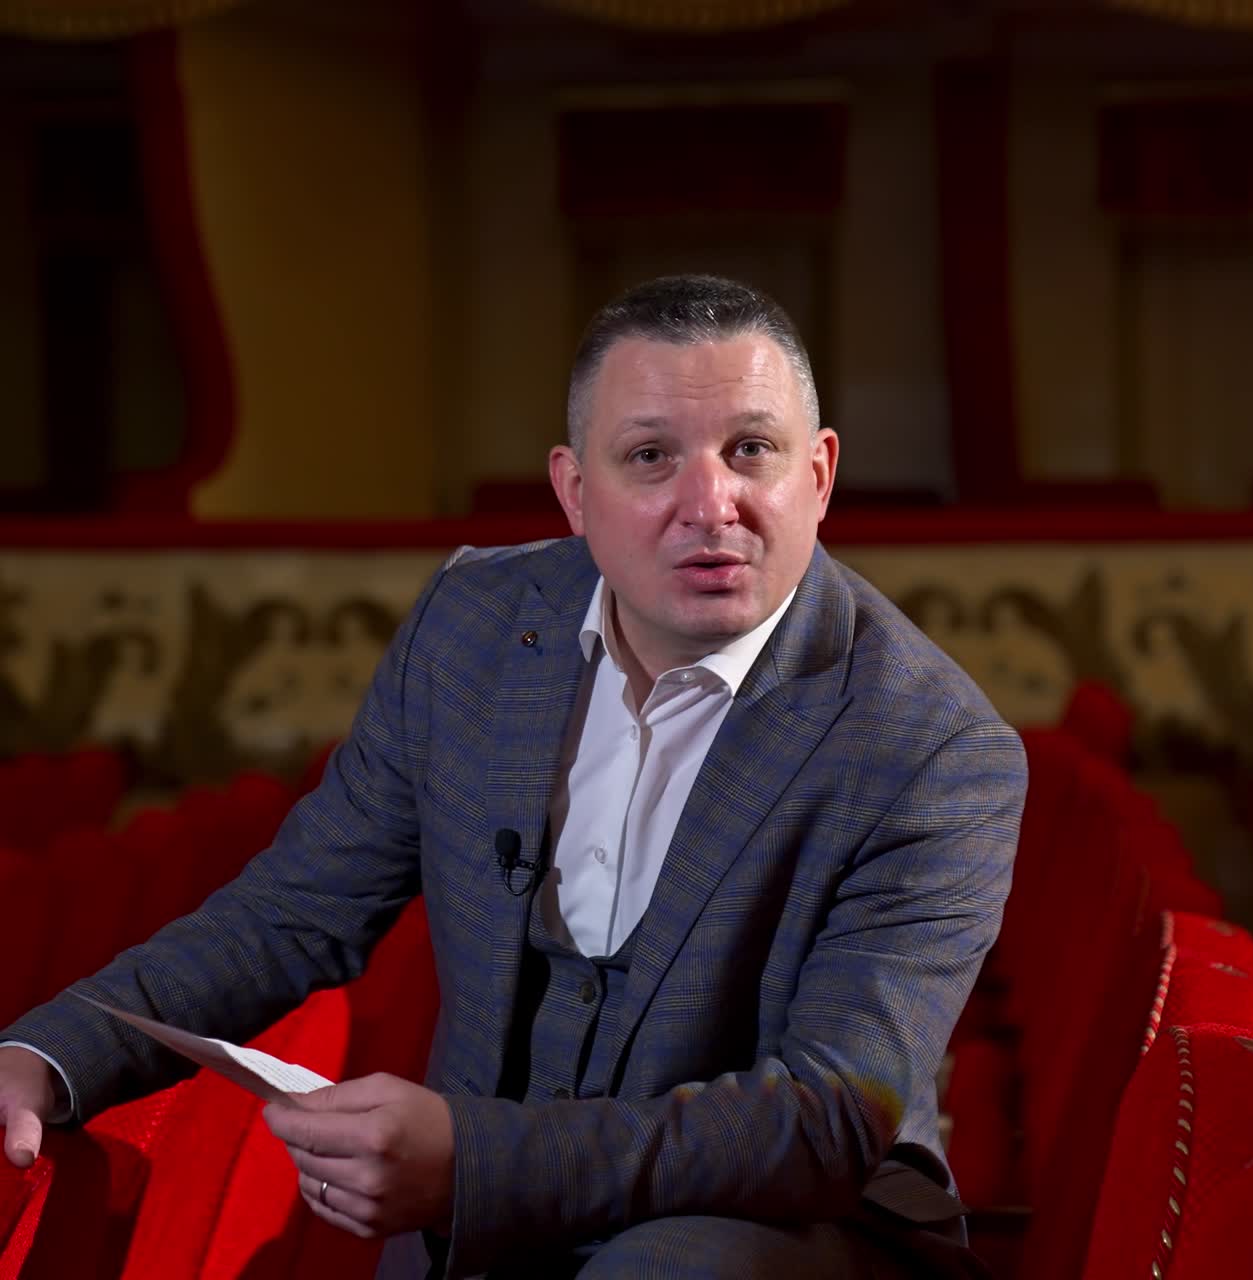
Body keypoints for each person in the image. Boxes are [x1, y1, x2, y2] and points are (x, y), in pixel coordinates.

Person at [0, 275, 1027, 1279]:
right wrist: (47, 1058)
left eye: (749, 450)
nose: (709, 503)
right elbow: (289, 911)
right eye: (650, 456)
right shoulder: (474, 625)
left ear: (818, 473)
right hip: (493, 1234)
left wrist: (470, 1160)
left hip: (790, 1231)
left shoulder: (931, 749)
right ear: (575, 490)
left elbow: (825, 1119)